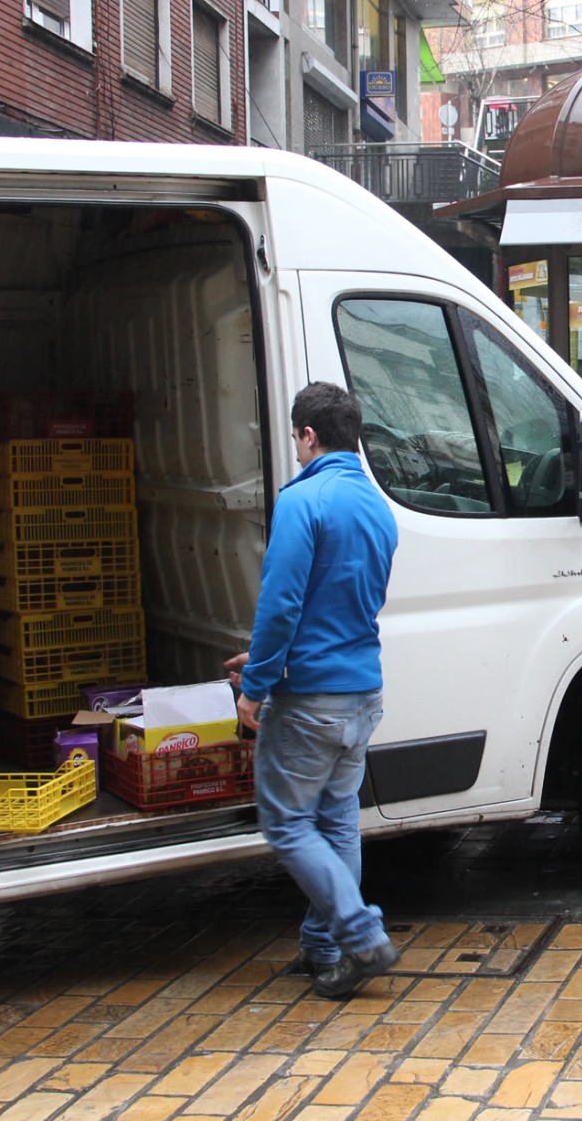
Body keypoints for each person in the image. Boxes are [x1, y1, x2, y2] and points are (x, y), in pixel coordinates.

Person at [226, 381, 400, 1000]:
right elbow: (343, 602)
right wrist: (274, 659)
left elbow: (282, 605)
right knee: (338, 824)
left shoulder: (303, 502)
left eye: (297, 440)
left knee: (287, 822)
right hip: (361, 692)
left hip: (310, 703)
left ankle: (359, 935)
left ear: (308, 435)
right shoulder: (379, 508)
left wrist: (257, 683)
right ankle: (324, 948)